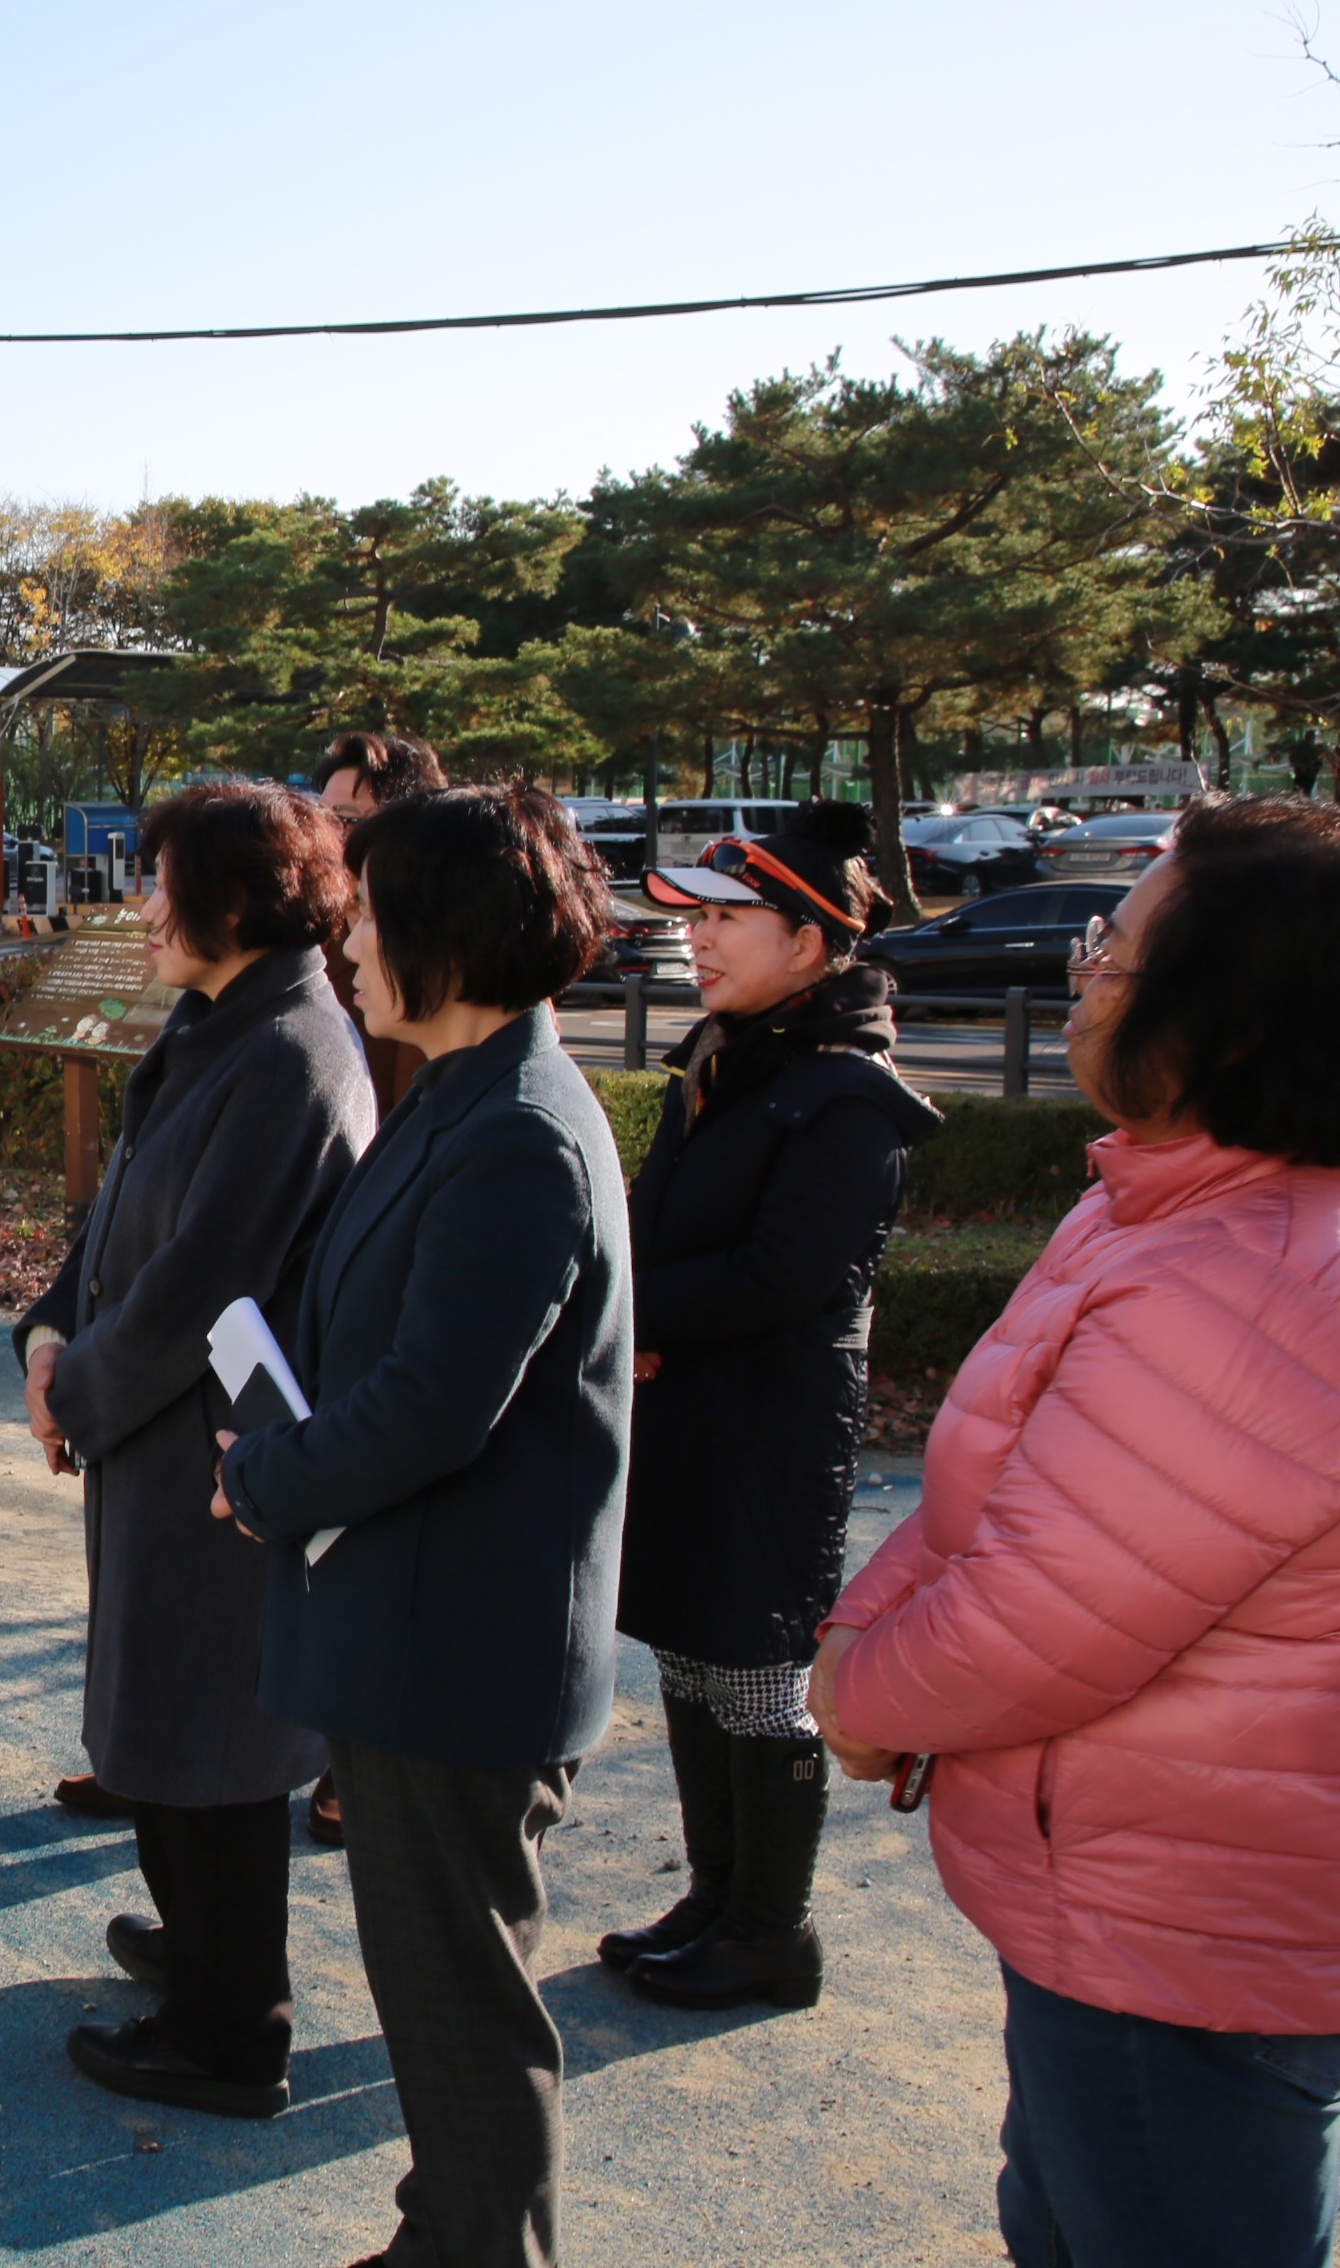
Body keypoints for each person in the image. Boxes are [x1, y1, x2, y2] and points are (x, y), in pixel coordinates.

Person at [811, 795, 1340, 2268]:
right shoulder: (1157, 1206)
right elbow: (1002, 1486)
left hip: (1182, 1923)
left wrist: (852, 1688)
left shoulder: (1248, 1278)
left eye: (1110, 950)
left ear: (1230, 1017)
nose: (1078, 973)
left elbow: (1044, 1612)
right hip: (1125, 1889)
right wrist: (866, 1621)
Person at [216, 784, 628, 2268]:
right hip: (416, 1623)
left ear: (445, 938)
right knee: (437, 1981)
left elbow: (433, 1402)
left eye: (375, 920)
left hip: (462, 1646)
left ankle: (477, 2246)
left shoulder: (518, 1128)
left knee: (459, 1994)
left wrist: (264, 1475)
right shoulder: (457, 1087)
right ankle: (443, 2230)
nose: (351, 950)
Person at [14, 783, 373, 2115]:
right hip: (155, 1433)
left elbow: (200, 1277)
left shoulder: (285, 1049)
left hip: (212, 1444)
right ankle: (201, 1948)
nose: (140, 903)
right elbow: (122, 1219)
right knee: (169, 1708)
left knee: (211, 1728)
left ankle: (232, 2023)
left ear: (233, 898)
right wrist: (53, 1327)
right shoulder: (223, 1020)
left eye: (159, 877)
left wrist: (78, 1389)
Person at [604, 802, 938, 2009]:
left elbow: (790, 1275)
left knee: (755, 1668)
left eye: (731, 917)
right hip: (693, 1407)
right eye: (699, 917)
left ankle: (771, 1929)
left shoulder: (849, 1092)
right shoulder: (729, 1053)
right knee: (692, 1657)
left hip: (771, 1426)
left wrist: (632, 1318)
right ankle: (716, 1897)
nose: (699, 939)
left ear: (811, 940)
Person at [276, 726, 448, 1853]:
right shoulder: (354, 977)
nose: (331, 834)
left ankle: (344, 1763)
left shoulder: (487, 1095)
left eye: (352, 817)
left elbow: (435, 1393)